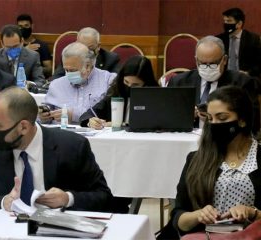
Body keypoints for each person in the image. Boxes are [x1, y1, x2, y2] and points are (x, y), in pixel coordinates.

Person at [0, 87, 112, 211]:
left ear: (24, 127)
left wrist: (68, 199)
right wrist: (4, 202)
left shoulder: (72, 147)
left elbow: (103, 196)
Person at [171, 86, 261, 236]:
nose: (214, 124)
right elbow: (178, 218)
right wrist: (198, 215)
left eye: (222, 118)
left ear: (242, 120)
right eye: (210, 118)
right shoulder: (197, 159)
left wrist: (252, 213)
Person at [168, 35, 260, 134]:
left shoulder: (242, 83)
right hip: (188, 138)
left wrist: (220, 116)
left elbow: (252, 121)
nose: (207, 68)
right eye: (202, 63)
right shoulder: (179, 82)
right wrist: (186, 115)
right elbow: (167, 117)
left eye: (213, 64)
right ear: (196, 60)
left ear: (224, 60)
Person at [40, 42, 116, 124]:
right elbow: (46, 113)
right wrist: (44, 117)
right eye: (66, 70)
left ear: (88, 66)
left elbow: (111, 115)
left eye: (73, 70)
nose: (69, 74)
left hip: (98, 134)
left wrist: (74, 116)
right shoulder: (56, 85)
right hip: (62, 134)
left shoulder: (108, 80)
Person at [80, 55, 158, 129]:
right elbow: (90, 113)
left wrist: (122, 124)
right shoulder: (116, 90)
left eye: (135, 85)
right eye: (126, 82)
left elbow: (156, 122)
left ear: (146, 83)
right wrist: (90, 121)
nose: (129, 87)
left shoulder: (155, 96)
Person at [52, 27, 120, 79]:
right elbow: (56, 79)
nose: (86, 52)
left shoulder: (111, 59)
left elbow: (114, 83)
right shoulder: (69, 56)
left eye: (90, 48)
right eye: (82, 47)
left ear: (98, 46)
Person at [216, 8, 261, 78]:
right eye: (225, 21)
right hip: (223, 77)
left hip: (244, 77)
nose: (226, 24)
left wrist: (248, 73)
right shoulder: (219, 39)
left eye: (229, 21)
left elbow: (258, 63)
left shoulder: (253, 39)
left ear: (239, 24)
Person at [17, 14, 52, 79]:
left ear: (32, 26)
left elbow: (49, 69)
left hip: (37, 80)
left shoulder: (42, 45)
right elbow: (11, 65)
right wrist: (24, 50)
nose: (23, 28)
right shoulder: (15, 45)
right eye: (20, 26)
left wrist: (34, 69)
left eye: (26, 25)